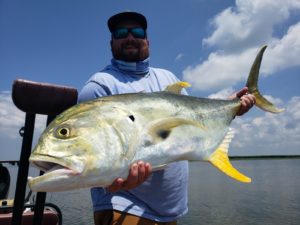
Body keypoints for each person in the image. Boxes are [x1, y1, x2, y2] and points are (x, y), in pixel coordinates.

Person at [78, 11, 256, 225]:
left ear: (147, 40)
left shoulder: (167, 78)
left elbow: (196, 121)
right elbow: (89, 158)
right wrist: (110, 183)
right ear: (111, 43)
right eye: (121, 33)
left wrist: (231, 105)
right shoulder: (100, 86)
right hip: (125, 207)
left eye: (137, 31)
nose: (130, 37)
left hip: (169, 212)